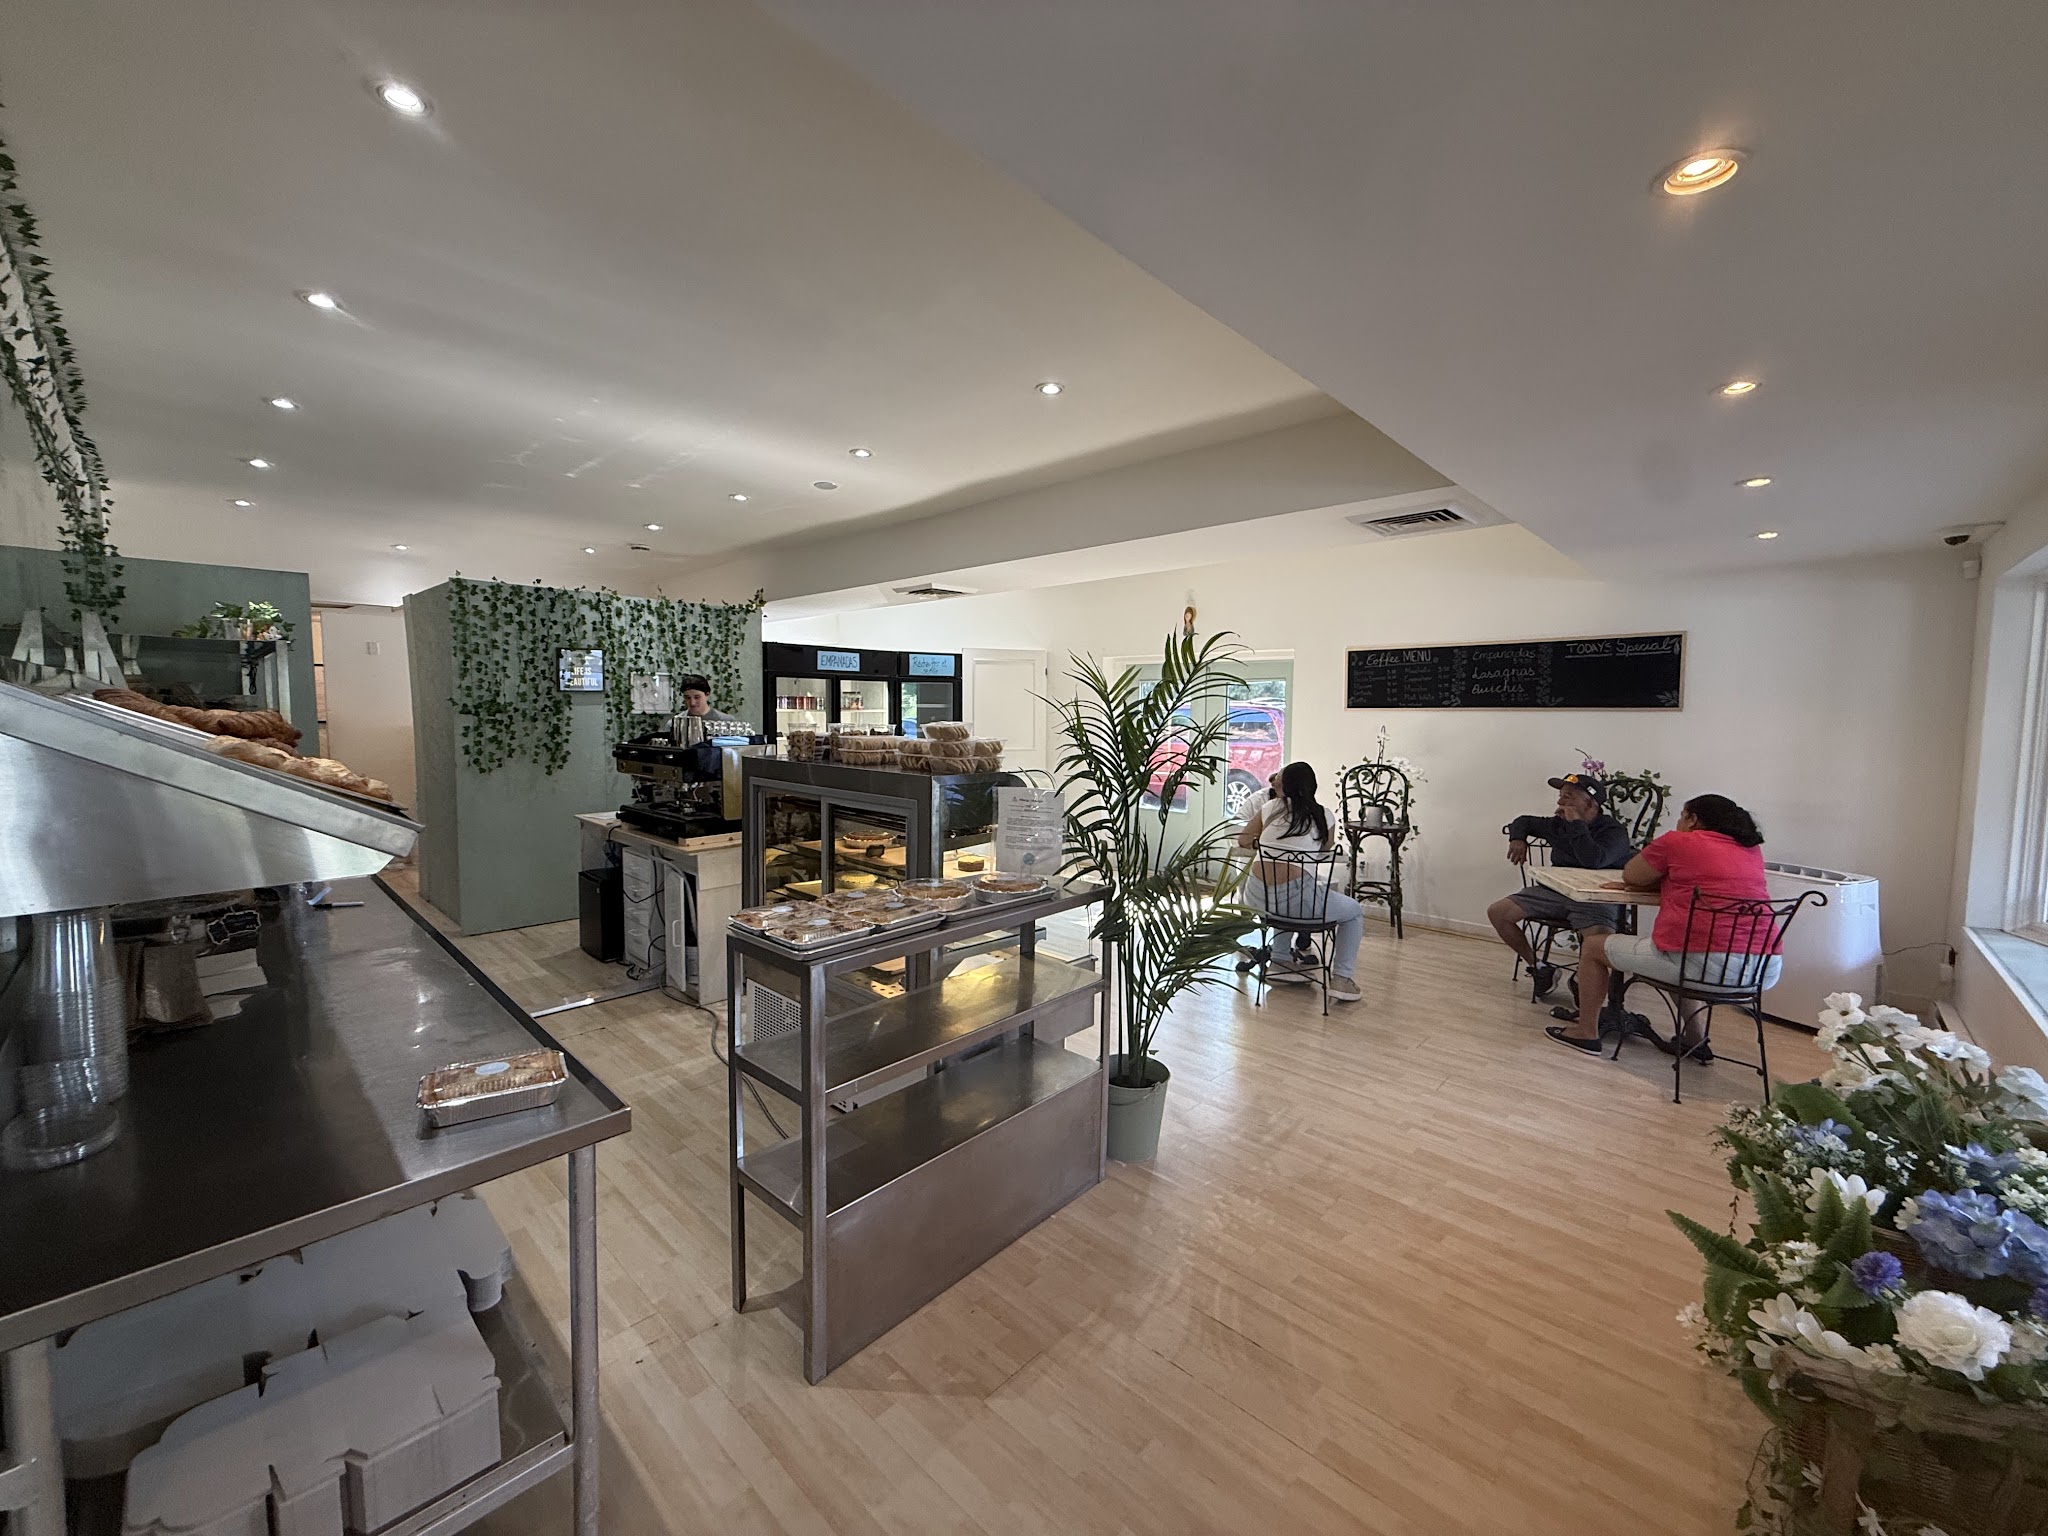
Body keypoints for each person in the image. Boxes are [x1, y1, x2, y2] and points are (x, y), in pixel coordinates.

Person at [1546, 793, 1783, 1058]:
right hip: (1762, 970)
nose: (1679, 822)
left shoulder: (1678, 841)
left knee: (1593, 947)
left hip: (1699, 963)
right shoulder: (1750, 849)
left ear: (1693, 820)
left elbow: (1632, 874)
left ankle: (1586, 1033)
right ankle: (1695, 1041)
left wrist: (1651, 878)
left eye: (1682, 816)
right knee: (1680, 953)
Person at [1485, 772, 1634, 997]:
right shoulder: (1559, 824)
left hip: (1595, 898)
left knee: (1598, 941)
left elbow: (1593, 860)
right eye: (1561, 796)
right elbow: (1523, 821)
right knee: (1498, 912)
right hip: (1557, 891)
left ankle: (1581, 981)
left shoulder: (1614, 832)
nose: (1560, 802)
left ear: (1590, 803)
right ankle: (1540, 968)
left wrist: (1576, 825)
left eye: (1569, 797)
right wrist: (1517, 838)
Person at [1234, 761, 1363, 1003]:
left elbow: (1243, 840)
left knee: (1285, 898)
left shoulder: (1270, 807)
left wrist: (1263, 844)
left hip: (1257, 898)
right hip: (1296, 901)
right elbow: (1326, 848)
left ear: (1285, 786)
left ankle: (1281, 960)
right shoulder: (1324, 815)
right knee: (1353, 911)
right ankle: (1342, 979)